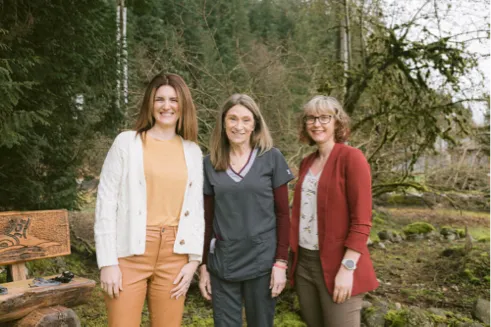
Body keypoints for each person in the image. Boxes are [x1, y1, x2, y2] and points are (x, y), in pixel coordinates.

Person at [94, 73, 204, 327]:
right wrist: (108, 262)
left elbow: (196, 209)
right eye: (160, 99)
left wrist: (194, 261)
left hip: (175, 254)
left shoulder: (193, 151)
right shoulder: (126, 143)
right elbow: (106, 203)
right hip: (130, 252)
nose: (167, 106)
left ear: (183, 104)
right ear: (149, 103)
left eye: (174, 99)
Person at [198, 94, 294, 327]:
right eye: (232, 118)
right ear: (223, 122)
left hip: (262, 262)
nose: (238, 126)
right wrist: (203, 266)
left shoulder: (271, 158)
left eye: (245, 120)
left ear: (255, 125)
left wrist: (281, 263)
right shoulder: (209, 163)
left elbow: (283, 215)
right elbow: (206, 220)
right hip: (223, 262)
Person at [289, 95, 379, 327]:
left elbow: (362, 221)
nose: (317, 123)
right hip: (305, 265)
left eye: (324, 117)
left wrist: (347, 268)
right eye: (311, 118)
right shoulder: (307, 162)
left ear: (338, 123)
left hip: (339, 264)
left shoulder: (352, 158)